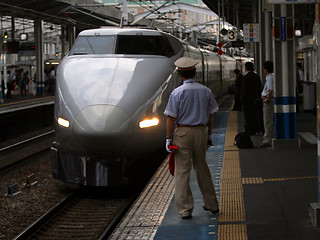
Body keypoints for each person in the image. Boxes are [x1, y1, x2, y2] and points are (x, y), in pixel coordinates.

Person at [164, 57, 219, 219]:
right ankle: (212, 205)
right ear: (195, 73)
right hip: (201, 132)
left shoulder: (177, 93)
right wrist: (209, 134)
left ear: (180, 74)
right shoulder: (206, 91)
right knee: (202, 168)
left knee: (182, 171)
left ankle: (186, 209)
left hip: (182, 134)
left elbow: (171, 118)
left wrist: (168, 138)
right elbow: (211, 115)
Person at [241, 62, 262, 135]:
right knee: (255, 115)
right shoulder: (257, 76)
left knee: (248, 116)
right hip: (256, 99)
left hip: (247, 101)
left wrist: (242, 99)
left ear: (245, 68)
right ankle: (256, 129)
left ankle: (250, 130)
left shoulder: (246, 77)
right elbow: (259, 87)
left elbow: (244, 90)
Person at [261, 61, 274, 147]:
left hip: (268, 102)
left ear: (266, 69)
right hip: (267, 100)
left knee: (267, 121)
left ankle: (267, 140)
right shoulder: (269, 77)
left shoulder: (270, 78)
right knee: (267, 121)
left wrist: (267, 98)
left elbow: (270, 90)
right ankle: (266, 139)